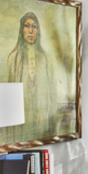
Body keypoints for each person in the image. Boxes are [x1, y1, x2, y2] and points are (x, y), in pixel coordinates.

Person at [6, 12, 56, 140]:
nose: (30, 31)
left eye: (34, 27)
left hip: (42, 119)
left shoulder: (46, 58)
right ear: (21, 30)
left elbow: (52, 94)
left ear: (38, 31)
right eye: (27, 26)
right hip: (22, 118)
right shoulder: (13, 58)